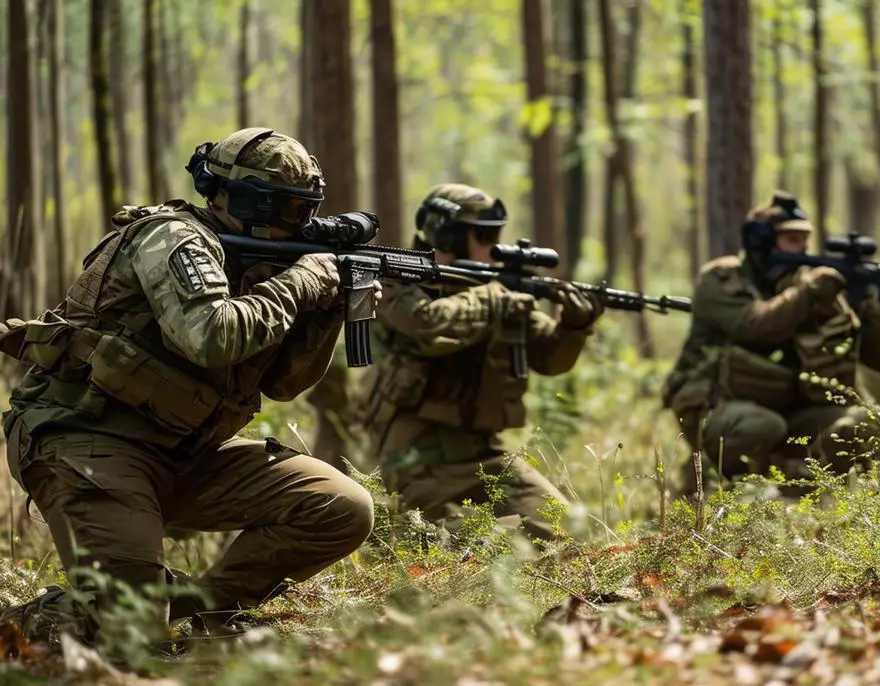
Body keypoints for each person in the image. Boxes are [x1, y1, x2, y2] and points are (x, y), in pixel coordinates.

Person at [0, 127, 378, 646]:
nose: (301, 226)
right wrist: (300, 284)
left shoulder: (265, 262)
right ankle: (35, 621)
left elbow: (286, 384)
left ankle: (205, 610)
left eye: (307, 210)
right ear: (246, 200)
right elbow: (211, 336)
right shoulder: (174, 238)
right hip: (87, 439)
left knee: (338, 507)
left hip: (184, 450)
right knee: (131, 640)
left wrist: (326, 313)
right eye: (290, 211)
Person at [354, 183, 605, 542]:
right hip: (418, 462)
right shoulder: (397, 277)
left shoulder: (498, 290)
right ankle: (415, 540)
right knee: (486, 549)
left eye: (496, 234)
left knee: (571, 536)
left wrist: (574, 327)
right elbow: (427, 326)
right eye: (484, 235)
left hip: (485, 455)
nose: (493, 246)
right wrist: (492, 296)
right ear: (447, 234)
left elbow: (549, 358)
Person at [660, 191, 880, 498]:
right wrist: (808, 292)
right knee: (762, 426)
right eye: (792, 239)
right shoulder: (721, 279)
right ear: (762, 241)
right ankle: (710, 484)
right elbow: (754, 326)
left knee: (874, 424)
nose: (803, 248)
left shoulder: (813, 287)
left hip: (790, 411)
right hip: (718, 409)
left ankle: (801, 492)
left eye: (805, 239)